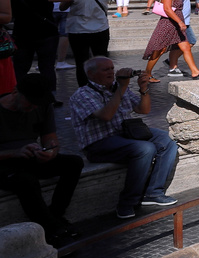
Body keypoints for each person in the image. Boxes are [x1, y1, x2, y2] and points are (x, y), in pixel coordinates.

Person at [0, 73, 82, 245]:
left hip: (26, 158)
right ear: (16, 92)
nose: (33, 107)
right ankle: (52, 228)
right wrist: (13, 153)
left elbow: (50, 138)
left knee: (74, 163)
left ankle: (55, 217)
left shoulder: (42, 106)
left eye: (37, 103)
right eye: (30, 102)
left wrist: (50, 151)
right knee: (25, 180)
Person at [64, 58, 176, 219]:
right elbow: (106, 115)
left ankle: (153, 193)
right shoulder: (82, 95)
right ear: (91, 74)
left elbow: (143, 109)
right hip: (98, 144)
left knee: (167, 140)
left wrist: (143, 89)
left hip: (124, 134)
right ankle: (127, 203)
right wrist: (121, 89)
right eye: (105, 70)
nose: (111, 72)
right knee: (145, 149)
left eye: (111, 68)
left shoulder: (118, 88)